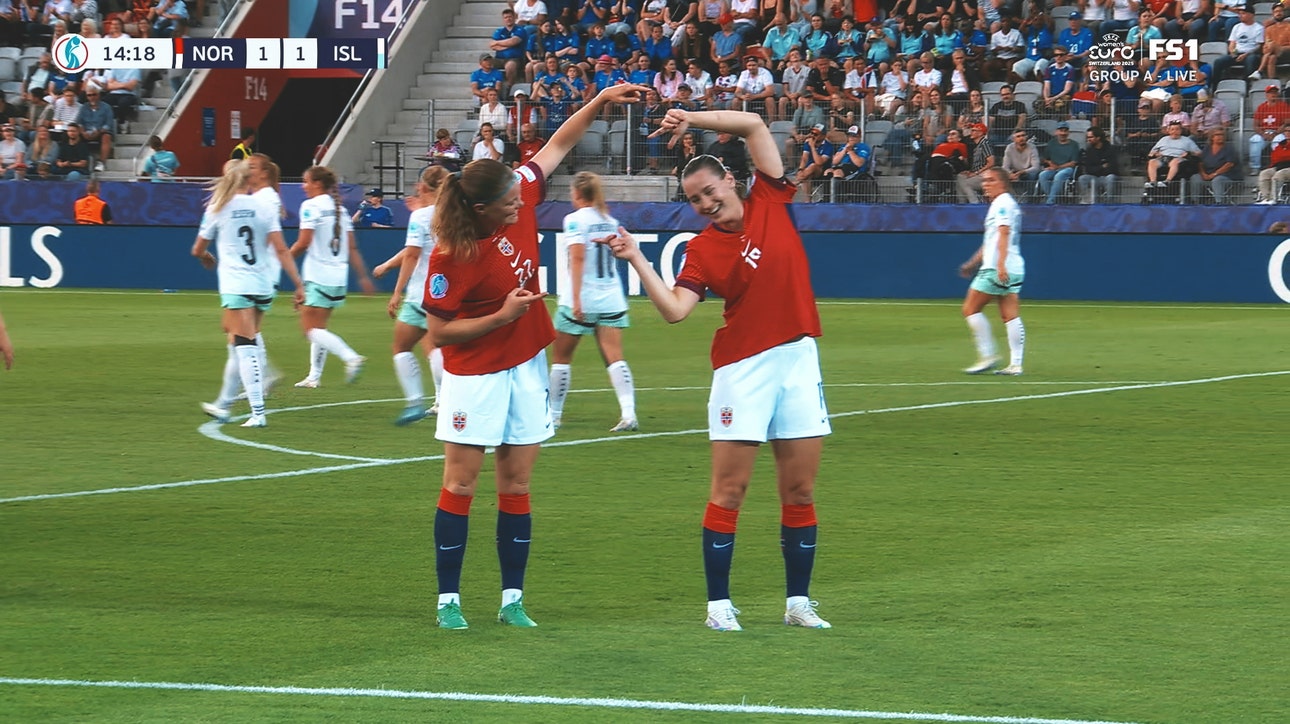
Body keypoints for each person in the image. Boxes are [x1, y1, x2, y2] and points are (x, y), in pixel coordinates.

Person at [422, 81, 647, 632]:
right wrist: (500, 316)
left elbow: (557, 148)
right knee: (460, 485)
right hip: (474, 373)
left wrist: (598, 102)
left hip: (527, 366)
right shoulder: (453, 254)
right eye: (510, 203)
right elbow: (439, 331)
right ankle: (448, 600)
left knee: (517, 484)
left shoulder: (513, 188)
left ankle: (511, 599)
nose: (522, 203)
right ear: (481, 208)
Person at [602, 108, 833, 633]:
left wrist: (692, 114)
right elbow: (676, 310)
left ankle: (798, 603)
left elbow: (753, 124)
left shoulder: (772, 197)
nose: (706, 204)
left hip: (799, 359)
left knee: (799, 491)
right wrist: (636, 257)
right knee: (730, 491)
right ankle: (718, 606)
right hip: (742, 368)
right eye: (695, 200)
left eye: (711, 191)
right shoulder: (703, 248)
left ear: (731, 179)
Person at [193, 160, 305, 428]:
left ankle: (257, 413)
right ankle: (225, 402)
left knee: (244, 344)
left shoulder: (218, 207)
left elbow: (198, 248)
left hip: (237, 283)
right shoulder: (264, 206)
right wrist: (299, 284)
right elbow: (280, 249)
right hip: (263, 283)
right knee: (237, 339)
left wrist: (206, 257)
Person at [548, 171, 638, 433]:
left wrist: (576, 298)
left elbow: (577, 258)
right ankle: (629, 413)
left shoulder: (574, 220)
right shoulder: (609, 220)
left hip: (583, 296)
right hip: (610, 297)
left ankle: (553, 415)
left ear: (576, 194)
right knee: (614, 356)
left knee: (561, 357)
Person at [290, 165, 376, 388]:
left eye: (306, 181)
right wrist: (363, 277)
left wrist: (279, 259)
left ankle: (351, 357)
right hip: (338, 278)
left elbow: (303, 242)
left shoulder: (310, 206)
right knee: (319, 328)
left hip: (318, 275)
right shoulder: (341, 210)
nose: (303, 186)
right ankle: (314, 376)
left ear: (317, 184)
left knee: (309, 330)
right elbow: (353, 247)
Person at [376, 165, 448, 425]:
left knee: (401, 346)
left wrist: (397, 292)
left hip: (421, 293)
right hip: (448, 293)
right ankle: (445, 400)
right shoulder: (458, 213)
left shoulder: (421, 217)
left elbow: (413, 254)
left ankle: (415, 401)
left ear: (423, 187)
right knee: (437, 346)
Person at [959, 167, 1025, 377]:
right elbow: (991, 241)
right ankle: (1016, 364)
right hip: (1013, 266)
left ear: (1003, 183)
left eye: (990, 180)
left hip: (998, 267)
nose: (985, 184)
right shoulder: (1003, 203)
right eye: (984, 181)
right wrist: (972, 263)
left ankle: (988, 355)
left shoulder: (1003, 204)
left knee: (970, 309)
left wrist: (1000, 265)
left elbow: (1003, 234)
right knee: (1009, 315)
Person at [1191, 129, 1242, 204]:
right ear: (1212, 137)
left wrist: (1214, 174)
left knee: (1217, 180)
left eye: (1222, 135)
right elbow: (1200, 163)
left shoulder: (1229, 148)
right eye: (1217, 135)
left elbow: (1229, 164)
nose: (1220, 137)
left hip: (1227, 176)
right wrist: (1203, 174)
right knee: (1195, 177)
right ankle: (1195, 202)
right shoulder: (1207, 148)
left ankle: (1219, 203)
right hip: (1208, 175)